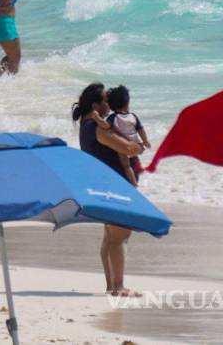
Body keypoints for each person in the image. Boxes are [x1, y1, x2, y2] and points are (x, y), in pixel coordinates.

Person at [72, 83, 145, 297]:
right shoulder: (96, 128)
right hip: (113, 185)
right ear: (96, 105)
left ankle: (112, 285)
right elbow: (126, 148)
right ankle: (118, 286)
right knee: (119, 235)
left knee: (111, 236)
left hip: (102, 184)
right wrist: (139, 146)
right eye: (105, 100)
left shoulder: (87, 124)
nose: (109, 104)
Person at [101, 86, 151, 186]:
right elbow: (140, 129)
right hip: (134, 144)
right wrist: (145, 141)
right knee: (134, 159)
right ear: (127, 103)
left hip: (122, 147)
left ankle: (133, 182)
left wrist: (98, 119)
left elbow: (106, 126)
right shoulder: (133, 116)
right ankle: (137, 173)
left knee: (126, 166)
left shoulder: (113, 117)